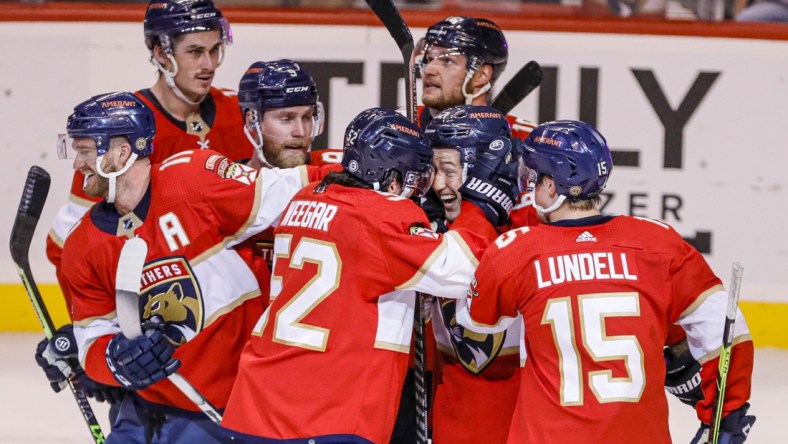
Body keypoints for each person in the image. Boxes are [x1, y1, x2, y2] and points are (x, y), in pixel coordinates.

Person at [222, 107, 521, 443]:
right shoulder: (382, 215)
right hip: (327, 416)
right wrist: (481, 205)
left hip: (252, 407)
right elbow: (463, 270)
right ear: (390, 177)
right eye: (414, 179)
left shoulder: (305, 198)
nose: (423, 192)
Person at [457, 120, 756, 443]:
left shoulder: (516, 251)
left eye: (533, 178)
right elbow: (728, 328)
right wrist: (726, 417)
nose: (527, 188)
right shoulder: (658, 242)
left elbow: (476, 321)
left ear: (552, 187)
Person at [55, 91, 319, 443]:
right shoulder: (83, 245)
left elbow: (298, 187)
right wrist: (114, 360)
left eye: (86, 150)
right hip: (147, 413)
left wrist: (380, 184)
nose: (78, 164)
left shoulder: (194, 180)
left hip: (240, 407)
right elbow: (91, 337)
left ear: (121, 153)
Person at [38, 0, 252, 416]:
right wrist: (98, 345)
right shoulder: (121, 130)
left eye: (214, 50)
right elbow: (70, 246)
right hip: (154, 331)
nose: (209, 64)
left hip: (230, 325)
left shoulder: (235, 113)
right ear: (160, 52)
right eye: (194, 52)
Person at [423, 104, 529, 444]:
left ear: (485, 168)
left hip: (520, 430)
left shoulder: (532, 237)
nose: (438, 185)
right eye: (433, 170)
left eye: (449, 170)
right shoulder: (431, 231)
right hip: (449, 428)